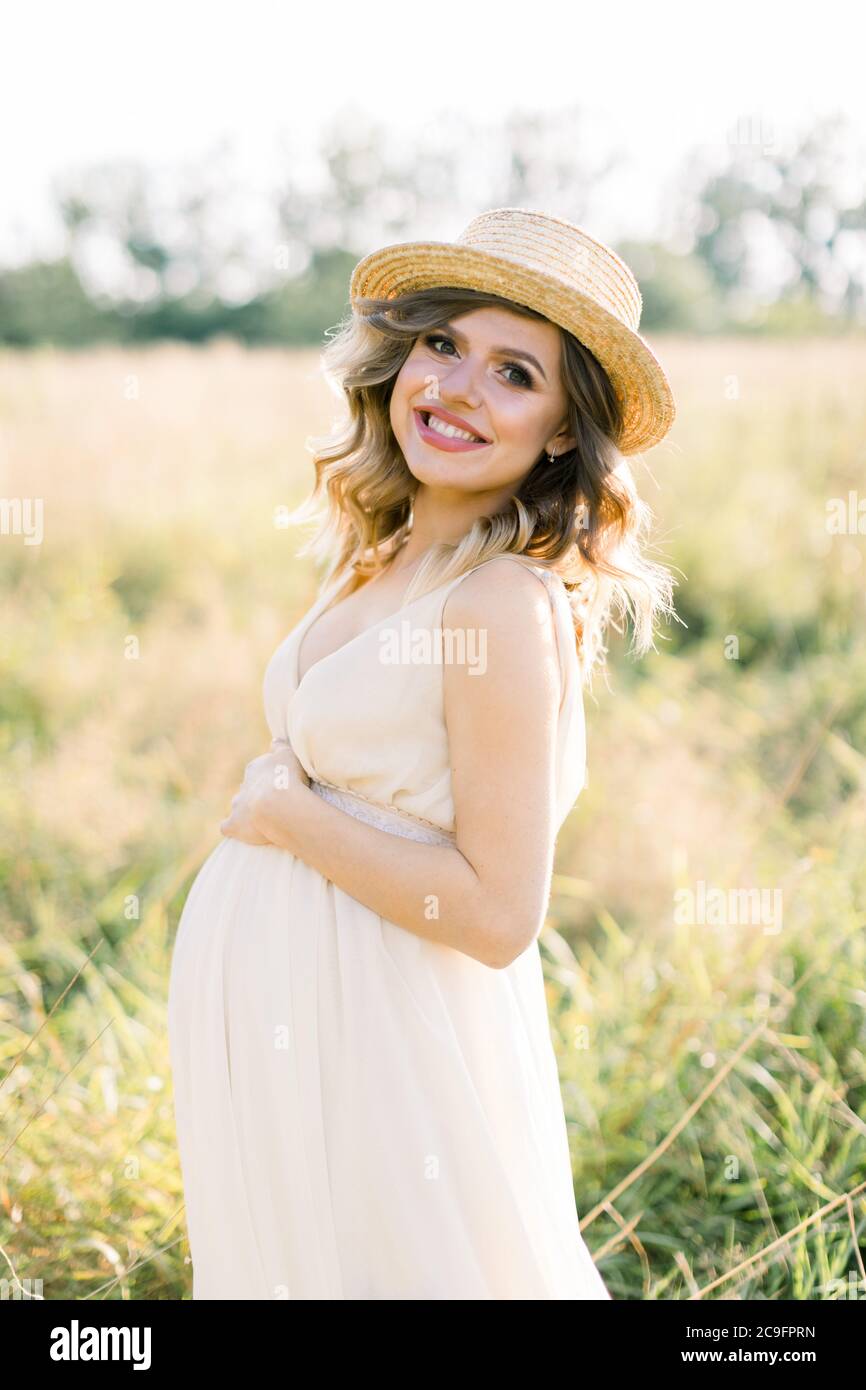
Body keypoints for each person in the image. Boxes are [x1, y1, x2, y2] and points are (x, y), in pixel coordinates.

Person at [167, 206, 678, 1300]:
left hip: (394, 1050)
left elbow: (497, 915)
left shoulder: (497, 601)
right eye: (443, 345)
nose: (455, 388)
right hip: (303, 1043)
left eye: (512, 372)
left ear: (557, 430)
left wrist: (285, 817)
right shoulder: (384, 554)